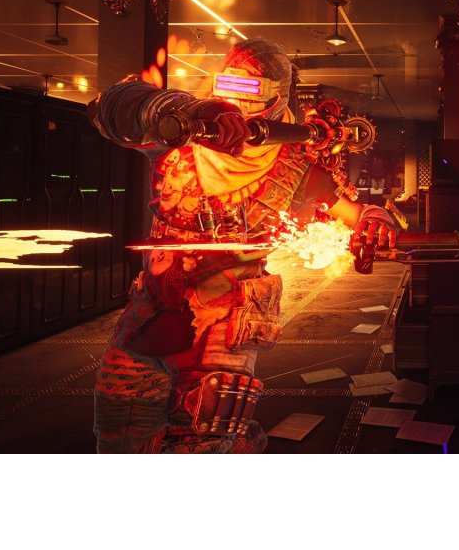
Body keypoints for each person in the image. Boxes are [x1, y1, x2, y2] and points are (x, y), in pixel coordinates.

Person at [88, 39, 397, 453]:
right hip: (152, 311)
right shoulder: (181, 131)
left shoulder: (295, 163)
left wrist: (375, 219)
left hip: (226, 322)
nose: (236, 107)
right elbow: (109, 108)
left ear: (275, 101)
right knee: (118, 435)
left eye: (250, 95)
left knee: (203, 443)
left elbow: (354, 212)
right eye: (229, 89)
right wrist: (189, 111)